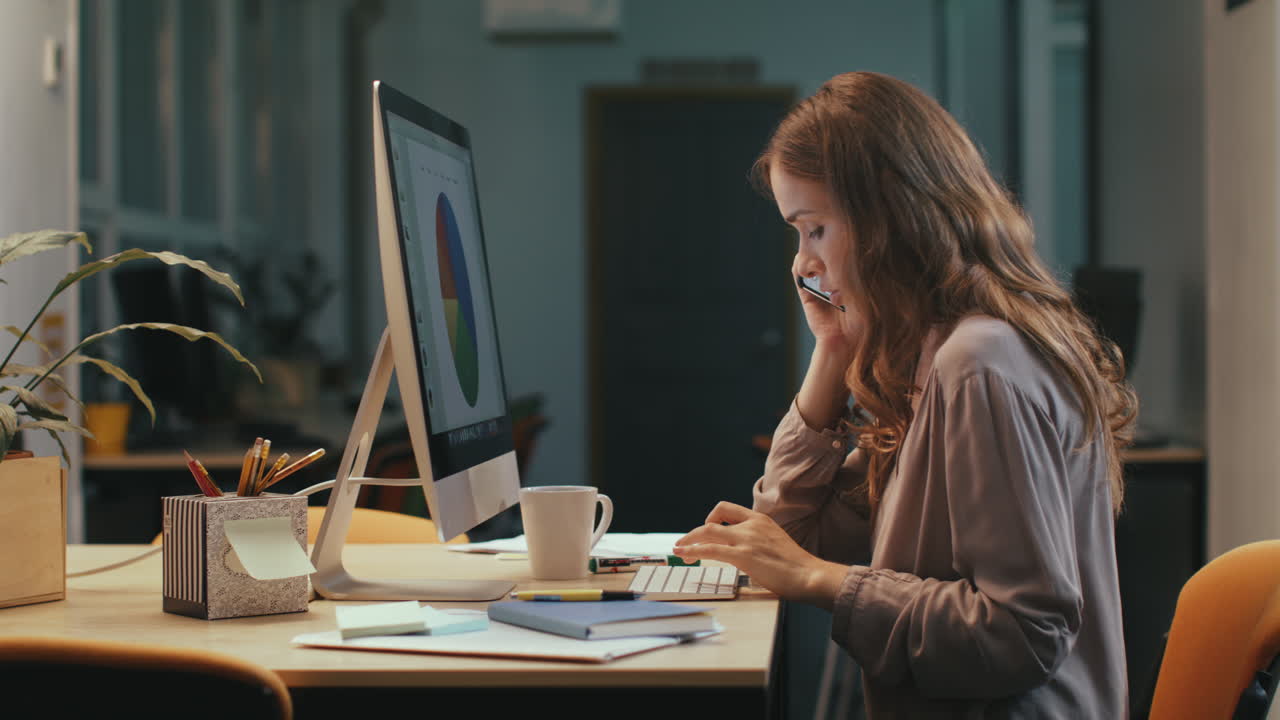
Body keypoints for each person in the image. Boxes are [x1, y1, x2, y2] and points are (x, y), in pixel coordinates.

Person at [673, 72, 1138, 718]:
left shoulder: (977, 363)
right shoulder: (928, 359)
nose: (800, 264)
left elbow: (1022, 633)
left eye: (815, 230)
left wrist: (821, 582)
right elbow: (789, 535)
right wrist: (832, 350)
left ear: (887, 220)